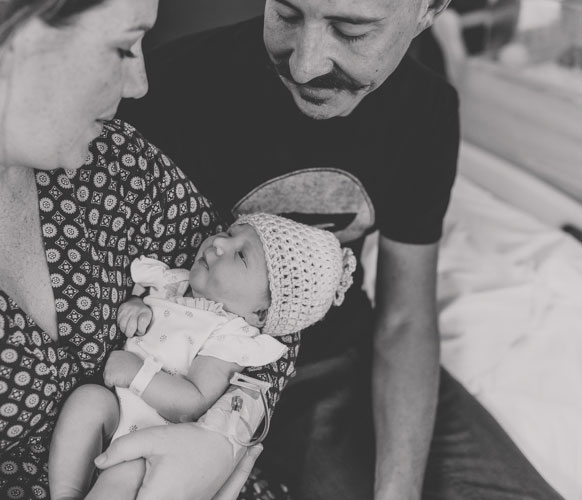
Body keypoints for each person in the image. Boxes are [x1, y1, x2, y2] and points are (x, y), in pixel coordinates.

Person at [0, 1, 299, 499]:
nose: (139, 83)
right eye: (122, 46)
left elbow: (275, 307)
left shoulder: (111, 158)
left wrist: (221, 439)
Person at [117, 0, 566, 499]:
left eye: (351, 30)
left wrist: (398, 491)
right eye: (286, 15)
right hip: (216, 373)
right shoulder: (172, 86)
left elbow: (405, 320)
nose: (304, 64)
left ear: (429, 10)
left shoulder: (427, 110)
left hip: (346, 357)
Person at [49, 213, 356, 500]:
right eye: (229, 233)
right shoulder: (175, 286)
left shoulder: (229, 337)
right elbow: (148, 304)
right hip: (116, 408)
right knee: (88, 400)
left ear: (260, 312)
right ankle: (66, 493)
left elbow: (193, 403)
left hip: (156, 438)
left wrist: (137, 375)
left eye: (240, 255)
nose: (219, 242)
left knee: (124, 472)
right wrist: (136, 305)